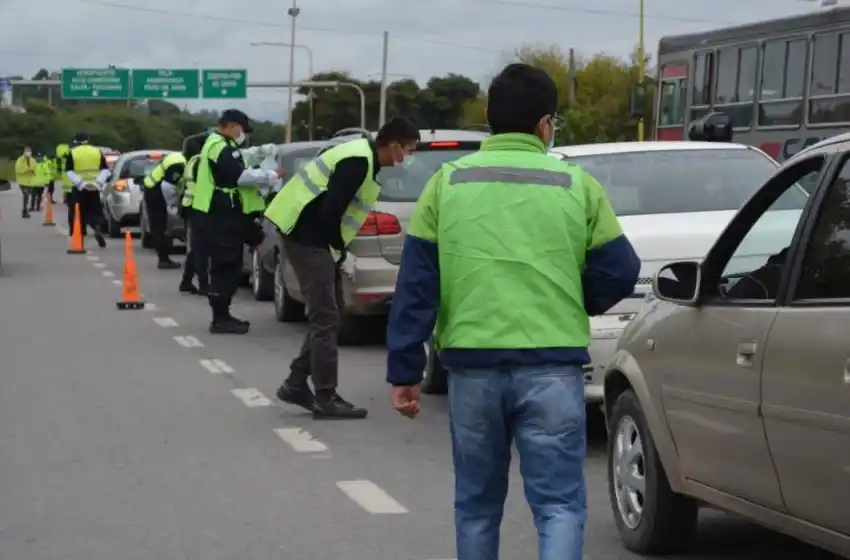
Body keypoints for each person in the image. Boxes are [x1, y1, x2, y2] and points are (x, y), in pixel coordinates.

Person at [384, 63, 641, 560]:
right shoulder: (575, 184)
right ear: (546, 124)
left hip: (471, 369)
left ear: (488, 116)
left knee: (477, 506)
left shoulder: (446, 185)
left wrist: (404, 371)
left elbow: (417, 283)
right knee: (559, 506)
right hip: (551, 368)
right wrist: (572, 298)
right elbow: (620, 268)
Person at [265, 116, 420, 420]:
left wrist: (336, 251)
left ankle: (296, 383)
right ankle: (325, 395)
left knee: (331, 312)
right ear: (393, 145)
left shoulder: (364, 159)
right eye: (409, 149)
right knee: (325, 316)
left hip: (313, 237)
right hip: (306, 236)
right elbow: (329, 212)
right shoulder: (357, 161)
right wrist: (337, 251)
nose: (409, 157)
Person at [191, 109, 281, 334]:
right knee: (226, 264)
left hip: (221, 214)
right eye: (241, 129)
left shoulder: (218, 144)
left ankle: (222, 314)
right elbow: (239, 176)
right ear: (230, 126)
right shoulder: (220, 147)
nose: (242, 134)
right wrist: (271, 176)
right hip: (223, 214)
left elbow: (240, 158)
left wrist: (260, 152)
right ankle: (220, 318)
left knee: (227, 263)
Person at [142, 150, 185, 269]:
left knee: (161, 226)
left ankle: (164, 258)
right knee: (160, 226)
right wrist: (172, 204)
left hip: (153, 187)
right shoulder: (179, 164)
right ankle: (163, 259)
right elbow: (167, 186)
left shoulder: (178, 157)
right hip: (156, 191)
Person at [65, 132, 109, 248]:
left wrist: (81, 183)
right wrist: (98, 183)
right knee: (95, 211)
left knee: (79, 213)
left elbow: (69, 171)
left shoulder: (73, 153)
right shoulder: (97, 151)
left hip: (80, 188)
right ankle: (97, 227)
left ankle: (80, 239)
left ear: (76, 141)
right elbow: (105, 170)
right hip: (94, 188)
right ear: (88, 140)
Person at [178, 133, 209, 295]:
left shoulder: (192, 161)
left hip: (190, 207)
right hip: (198, 208)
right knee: (201, 249)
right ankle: (203, 285)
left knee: (197, 247)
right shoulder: (201, 163)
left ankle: (187, 280)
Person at [14, 145, 37, 218]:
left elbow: (34, 168)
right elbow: (18, 169)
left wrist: (30, 170)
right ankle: (24, 211)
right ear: (24, 152)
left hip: (30, 182)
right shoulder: (20, 160)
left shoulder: (33, 160)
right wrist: (27, 169)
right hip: (22, 181)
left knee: (27, 197)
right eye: (26, 151)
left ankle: (25, 210)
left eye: (29, 151)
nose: (28, 152)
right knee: (26, 195)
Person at [55, 141, 73, 208]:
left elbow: (58, 161)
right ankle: (67, 199)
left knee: (67, 187)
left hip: (64, 171)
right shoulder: (69, 152)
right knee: (68, 187)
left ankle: (66, 199)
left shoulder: (60, 152)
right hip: (68, 170)